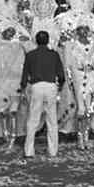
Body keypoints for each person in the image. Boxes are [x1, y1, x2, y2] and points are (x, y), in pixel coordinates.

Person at [20, 31, 65, 159]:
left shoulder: (30, 55)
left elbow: (24, 75)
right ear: (48, 40)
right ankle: (53, 151)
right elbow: (61, 75)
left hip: (36, 87)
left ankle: (29, 151)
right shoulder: (54, 55)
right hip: (51, 87)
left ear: (36, 41)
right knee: (52, 120)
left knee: (33, 119)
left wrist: (23, 88)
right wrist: (60, 86)